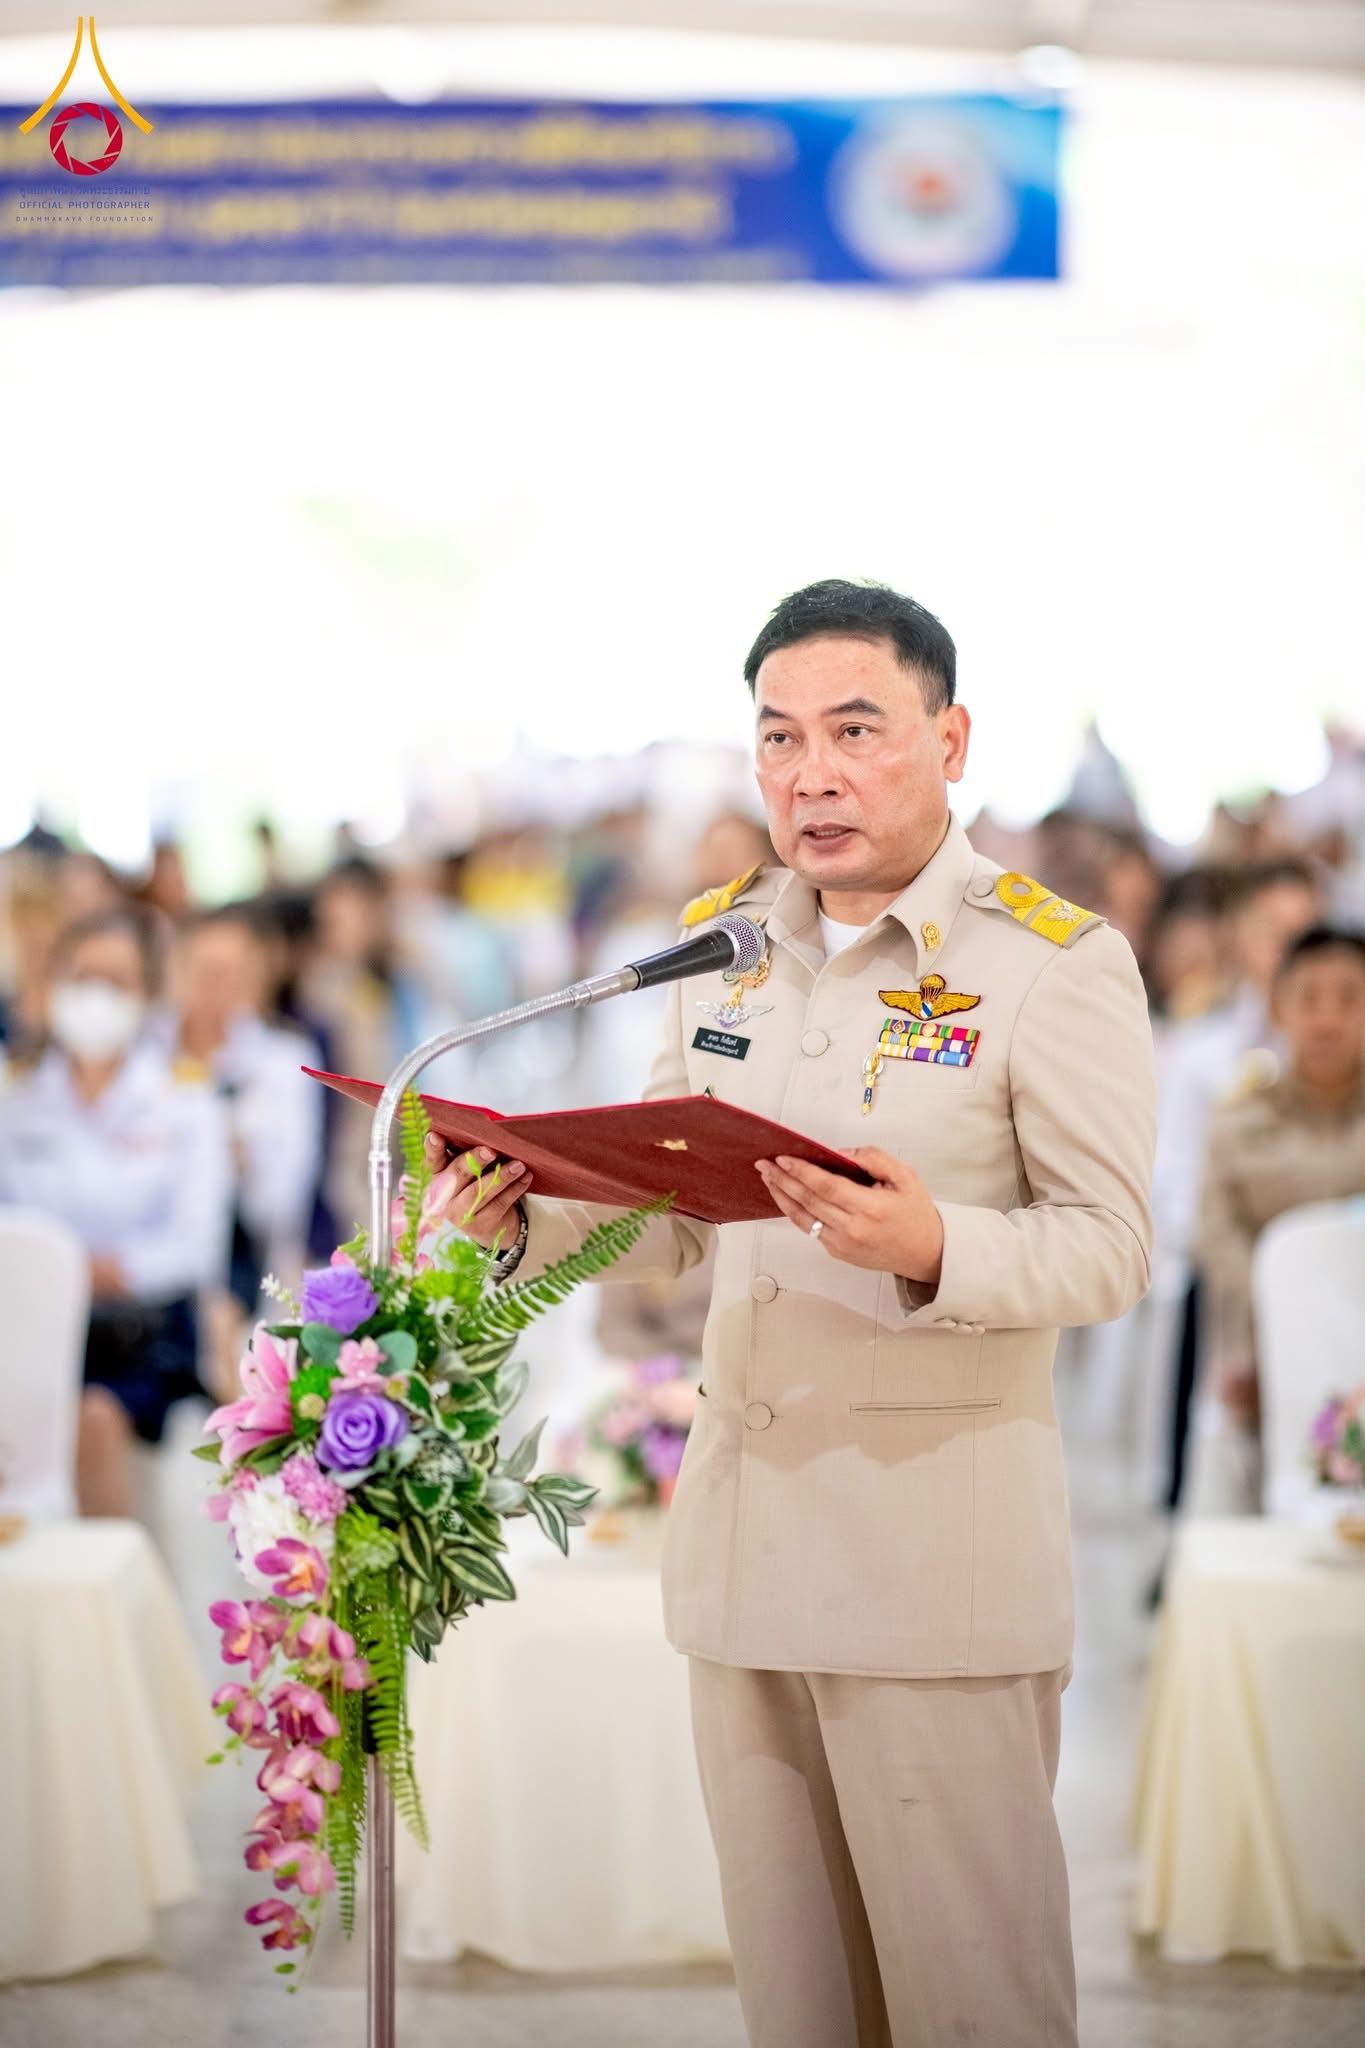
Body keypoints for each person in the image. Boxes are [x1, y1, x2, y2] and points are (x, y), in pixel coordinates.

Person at [422, 577, 1156, 2047]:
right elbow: (665, 1210)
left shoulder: (1045, 965)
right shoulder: (726, 953)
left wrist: (932, 1241)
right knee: (800, 2009)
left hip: (931, 1573)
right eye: (776, 739)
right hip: (747, 1558)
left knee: (971, 2004)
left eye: (853, 730)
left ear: (951, 740)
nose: (809, 773)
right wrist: (522, 1219)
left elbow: (1110, 1248)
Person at [0, 905, 231, 1515]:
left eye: (117, 981)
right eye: (82, 977)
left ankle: (98, 1597)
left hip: (144, 1329)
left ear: (147, 995)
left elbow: (194, 1246)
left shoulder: (183, 1099)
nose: (96, 995)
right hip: (32, 1320)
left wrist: (88, 1270)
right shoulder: (18, 1097)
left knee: (93, 1417)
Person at [1191, 924, 1365, 1509]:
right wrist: (1252, 1343)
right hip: (1266, 1356)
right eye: (1309, 998)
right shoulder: (1240, 1120)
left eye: (1348, 998)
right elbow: (1220, 1240)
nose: (1327, 1019)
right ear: (1278, 1006)